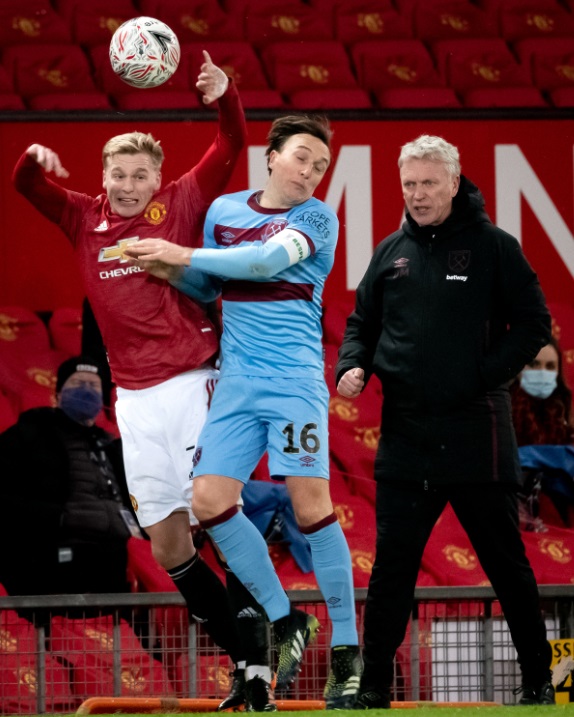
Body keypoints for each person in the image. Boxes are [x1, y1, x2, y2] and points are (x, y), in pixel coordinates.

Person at [12, 51, 264, 710]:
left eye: (140, 175)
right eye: (118, 175)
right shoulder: (83, 218)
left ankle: (260, 663)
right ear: (103, 177)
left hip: (191, 383)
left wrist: (225, 94)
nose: (128, 186)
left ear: (158, 176)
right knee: (169, 543)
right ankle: (245, 664)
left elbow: (231, 143)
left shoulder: (181, 201)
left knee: (218, 513)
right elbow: (26, 186)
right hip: (133, 402)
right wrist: (33, 158)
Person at [124, 115, 362, 711]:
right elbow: (211, 286)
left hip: (294, 383)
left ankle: (347, 654)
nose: (310, 172)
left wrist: (179, 251)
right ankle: (287, 620)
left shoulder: (318, 218)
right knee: (208, 502)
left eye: (320, 165)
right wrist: (170, 270)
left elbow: (263, 264)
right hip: (235, 383)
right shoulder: (224, 211)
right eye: (301, 157)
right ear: (272, 155)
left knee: (310, 509)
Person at [335, 134, 555, 708]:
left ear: (454, 183)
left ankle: (538, 681)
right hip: (406, 437)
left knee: (507, 566)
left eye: (429, 183)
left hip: (477, 432)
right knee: (391, 571)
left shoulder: (495, 247)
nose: (418, 194)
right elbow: (361, 323)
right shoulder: (389, 252)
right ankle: (374, 686)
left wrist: (483, 375)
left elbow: (534, 323)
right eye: (409, 184)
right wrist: (352, 364)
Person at [0, 355, 137, 603]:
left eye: (93, 385)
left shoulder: (111, 446)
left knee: (114, 626)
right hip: (53, 561)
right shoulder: (28, 436)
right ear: (57, 395)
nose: (86, 390)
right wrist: (57, 517)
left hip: (114, 559)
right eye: (77, 383)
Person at [511, 337, 574, 530]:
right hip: (512, 515)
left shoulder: (566, 414)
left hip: (558, 519)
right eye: (534, 364)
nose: (542, 373)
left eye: (550, 367)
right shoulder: (499, 411)